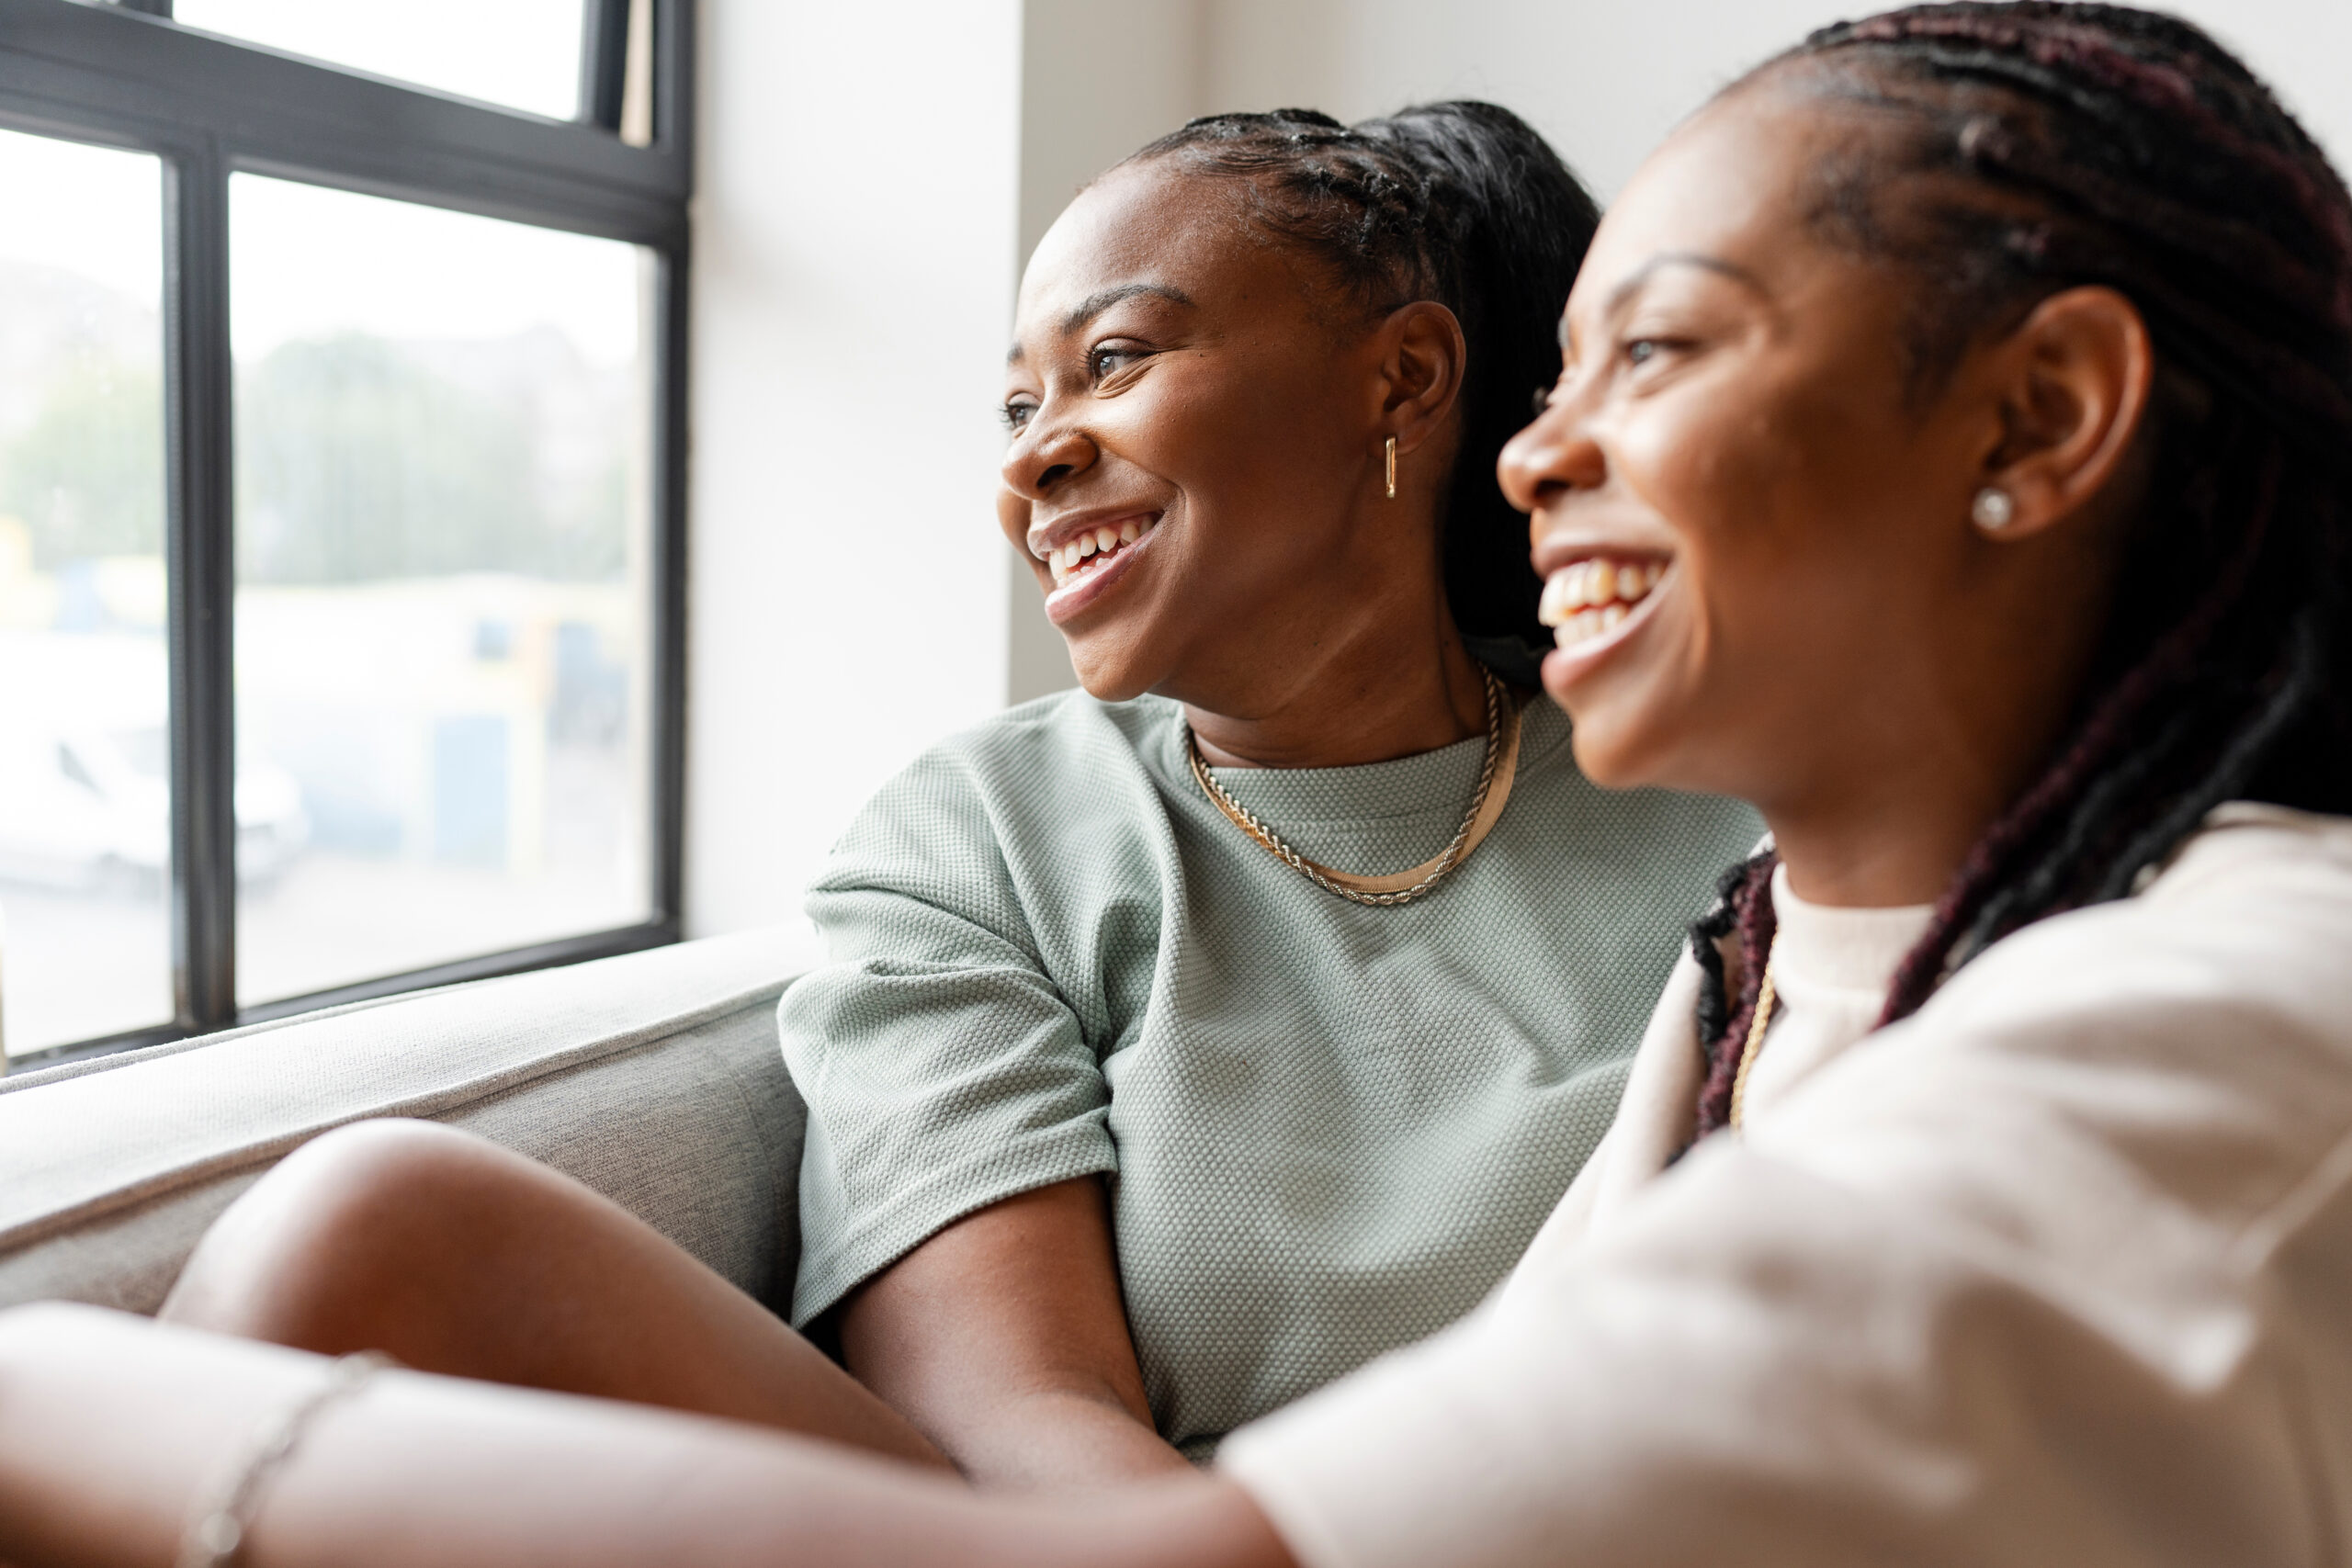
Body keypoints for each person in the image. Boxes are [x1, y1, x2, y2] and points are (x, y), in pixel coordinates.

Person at [8, 3, 2350, 1563]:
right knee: (364, 1220)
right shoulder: (1788, 942)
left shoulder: (2165, 1007)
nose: (1548, 452)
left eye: (1652, 352)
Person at [133, 101, 1763, 1487]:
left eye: (1111, 360)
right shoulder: (978, 838)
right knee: (364, 1224)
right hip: (1122, 1540)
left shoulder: (1735, 797)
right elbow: (1018, 1439)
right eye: (1015, 406)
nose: (1035, 457)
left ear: (1404, 381)